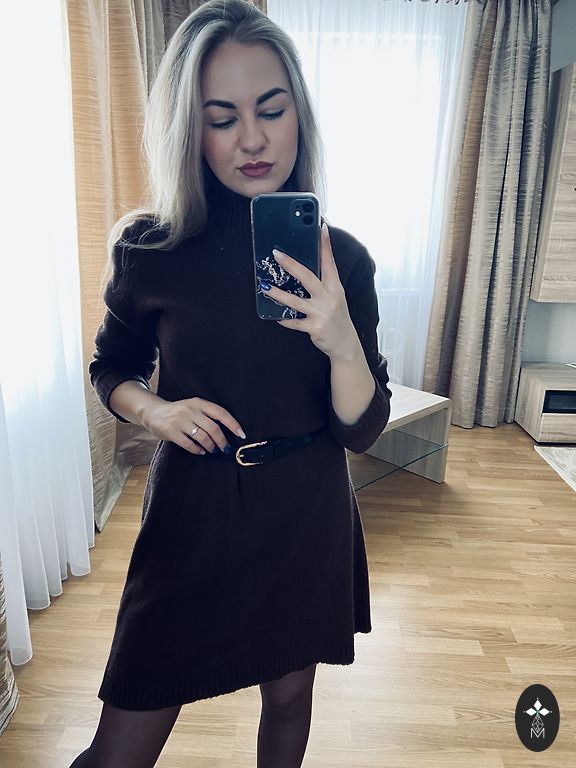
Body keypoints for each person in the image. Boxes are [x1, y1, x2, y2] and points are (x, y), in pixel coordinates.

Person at [71, 1, 391, 766]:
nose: (251, 138)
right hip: (192, 513)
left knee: (289, 702)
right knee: (121, 744)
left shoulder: (343, 260)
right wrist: (156, 410)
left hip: (303, 515)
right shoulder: (150, 249)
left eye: (270, 110)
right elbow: (110, 366)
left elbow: (361, 428)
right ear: (192, 129)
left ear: (299, 115)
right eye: (222, 117)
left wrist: (341, 341)